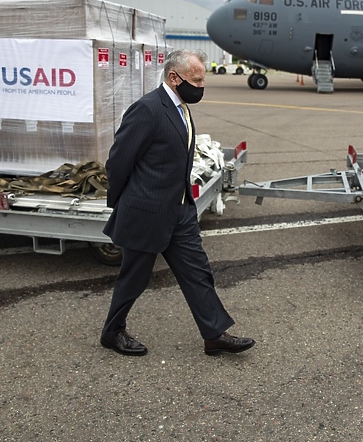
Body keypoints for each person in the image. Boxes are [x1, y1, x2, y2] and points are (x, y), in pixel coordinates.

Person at [100, 49, 255, 357]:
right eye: (196, 80)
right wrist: (124, 205)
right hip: (147, 212)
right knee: (134, 277)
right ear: (174, 77)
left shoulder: (182, 108)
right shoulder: (147, 109)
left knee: (197, 272)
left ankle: (213, 334)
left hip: (180, 211)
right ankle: (112, 331)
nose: (200, 87)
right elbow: (118, 162)